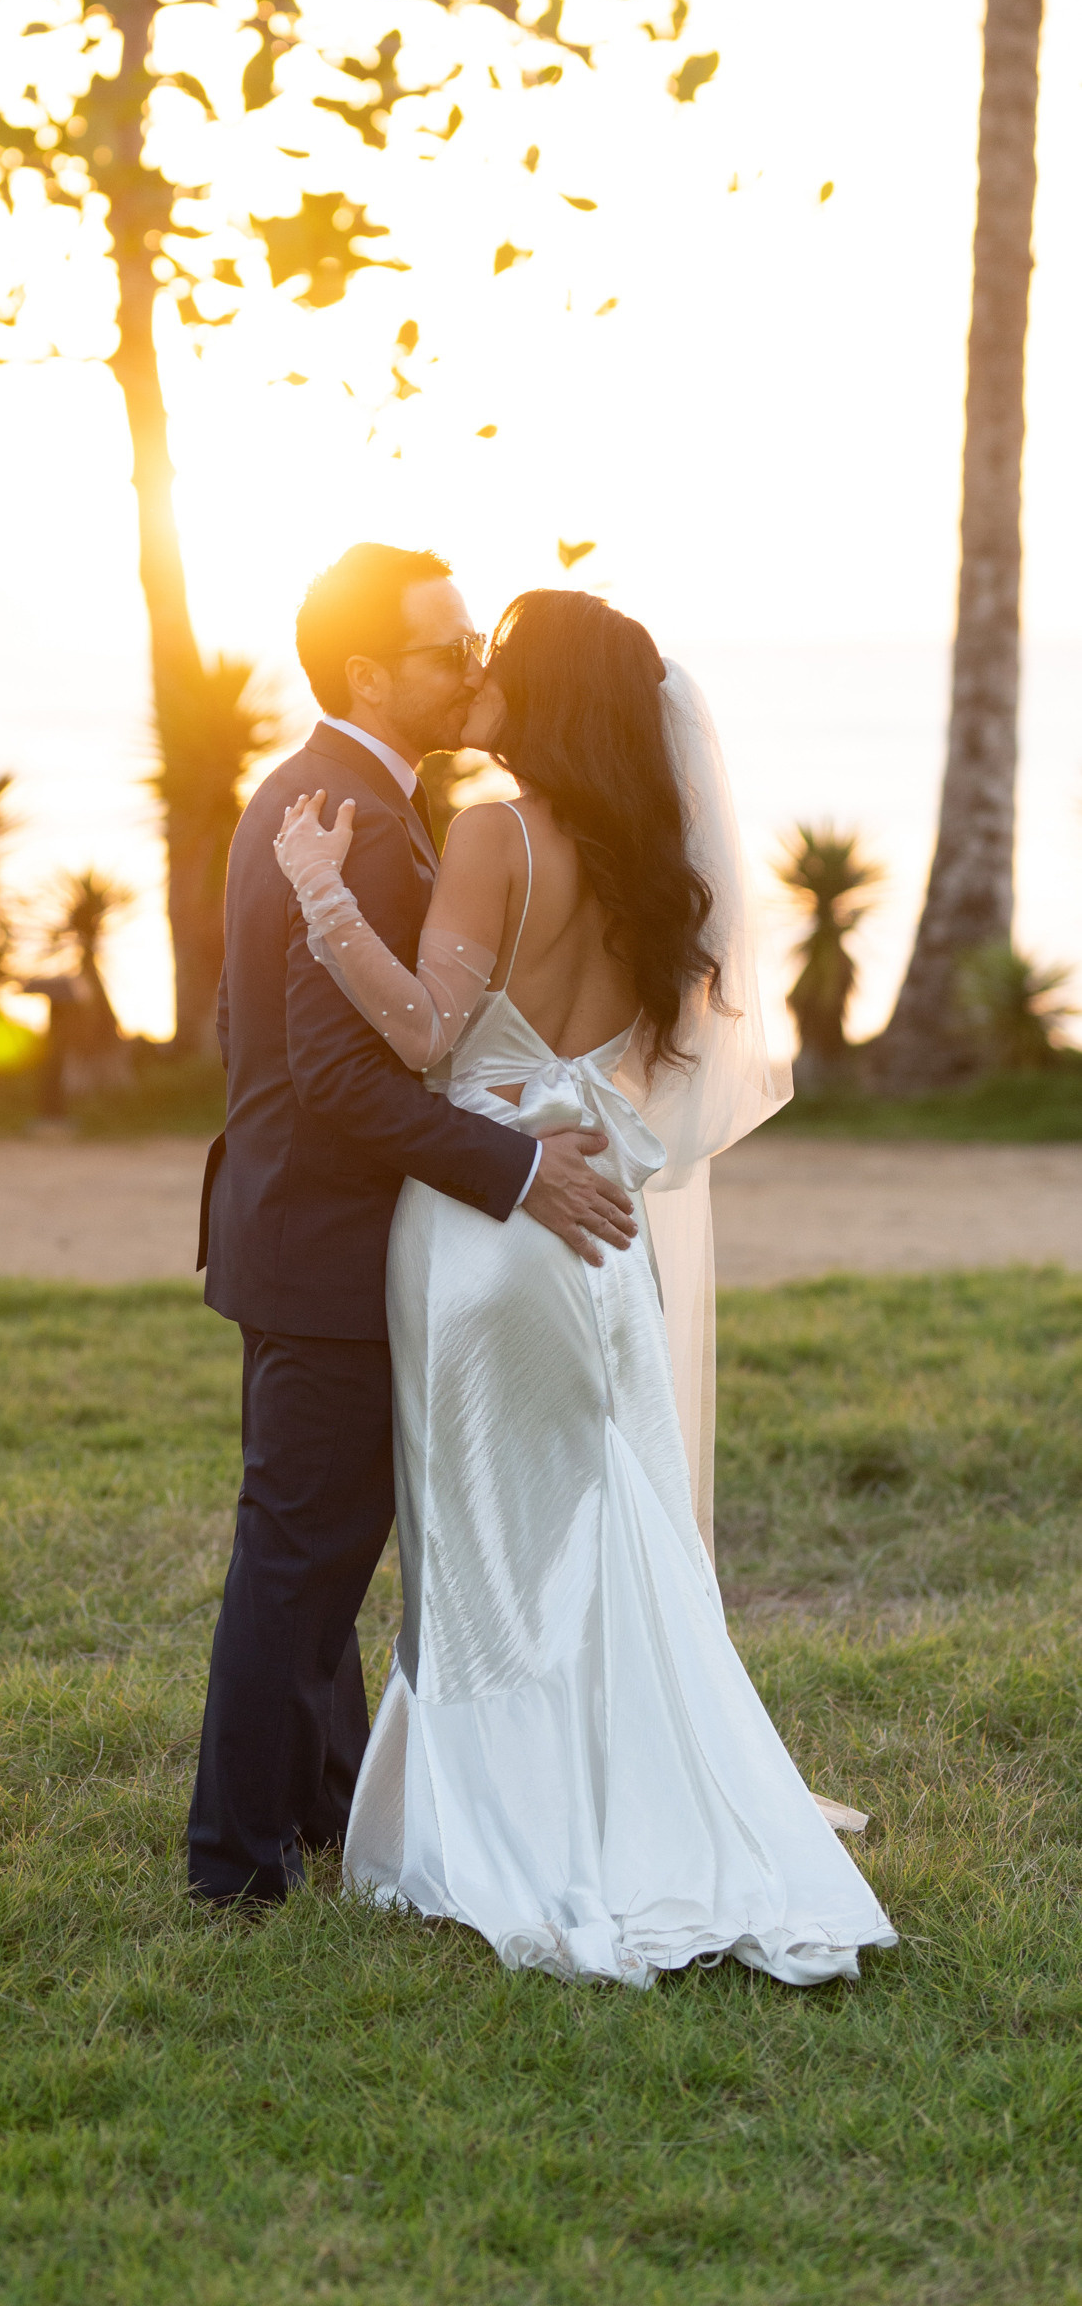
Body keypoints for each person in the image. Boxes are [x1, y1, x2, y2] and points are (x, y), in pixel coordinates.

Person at [270, 586, 895, 1986]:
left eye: (503, 656)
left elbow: (432, 1038)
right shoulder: (644, 864)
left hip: (487, 1229)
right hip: (602, 1236)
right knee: (611, 1541)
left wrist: (320, 894)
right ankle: (648, 1807)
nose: (479, 668)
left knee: (486, 1554)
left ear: (543, 694)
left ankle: (506, 1827)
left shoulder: (495, 833)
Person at [189, 544, 637, 1911]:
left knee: (323, 1548)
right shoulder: (358, 822)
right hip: (322, 1243)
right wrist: (514, 1166)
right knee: (302, 1555)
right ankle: (234, 1864)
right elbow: (336, 1073)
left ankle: (317, 1812)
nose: (476, 668)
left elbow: (257, 1032)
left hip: (294, 1226)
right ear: (371, 673)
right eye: (449, 650)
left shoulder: (330, 797)